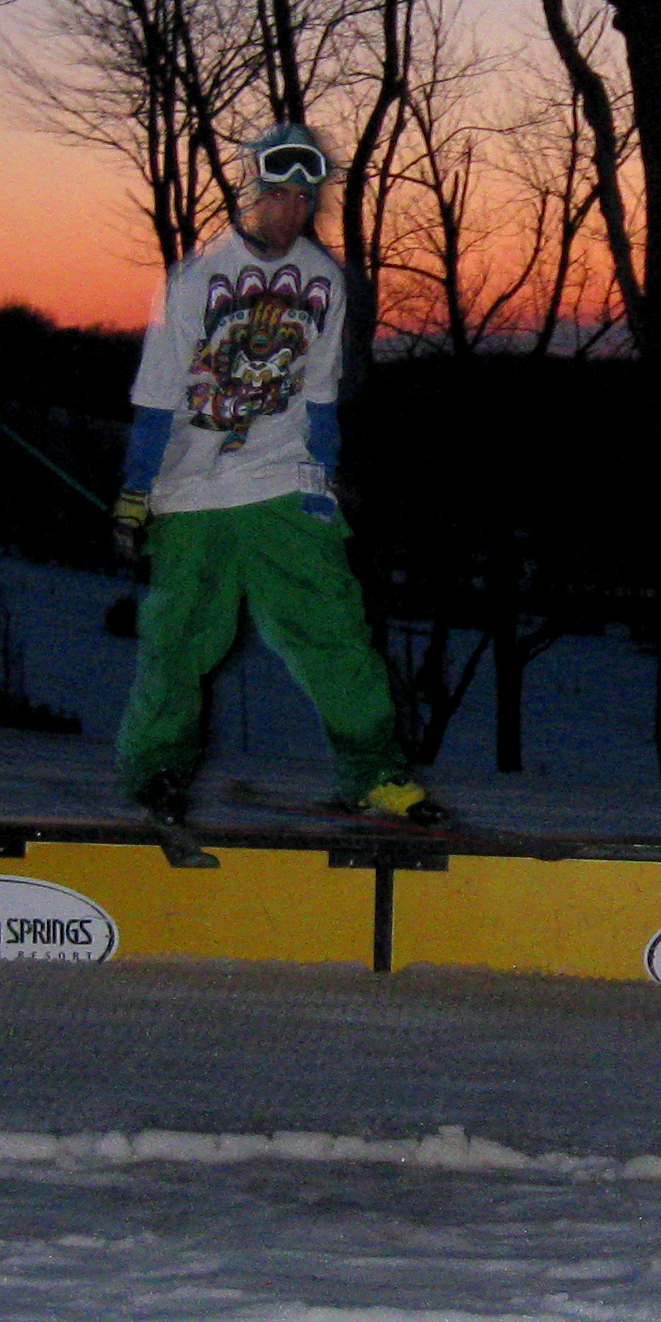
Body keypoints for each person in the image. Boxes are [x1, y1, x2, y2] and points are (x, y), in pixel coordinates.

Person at [109, 124, 431, 831]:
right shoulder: (192, 281)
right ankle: (157, 771)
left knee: (335, 632)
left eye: (303, 199)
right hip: (192, 488)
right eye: (278, 195)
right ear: (252, 195)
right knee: (178, 641)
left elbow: (320, 395)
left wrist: (327, 479)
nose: (290, 211)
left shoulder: (324, 281)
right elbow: (156, 395)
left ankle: (374, 774)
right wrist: (136, 492)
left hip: (284, 479)